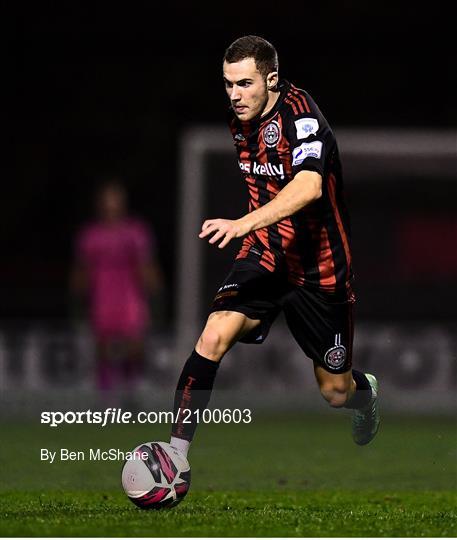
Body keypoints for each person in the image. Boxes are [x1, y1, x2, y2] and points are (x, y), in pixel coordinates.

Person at [169, 35, 380, 458]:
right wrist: (252, 232)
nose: (235, 95)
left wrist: (242, 222)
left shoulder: (302, 118)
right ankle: (174, 456)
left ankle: (366, 393)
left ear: (273, 79)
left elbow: (308, 187)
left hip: (321, 268)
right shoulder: (240, 119)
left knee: (336, 392)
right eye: (228, 84)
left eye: (245, 84)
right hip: (265, 255)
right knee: (213, 336)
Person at [71, 179, 163, 395]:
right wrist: (77, 299)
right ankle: (106, 396)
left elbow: (146, 266)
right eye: (107, 200)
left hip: (129, 295)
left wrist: (156, 293)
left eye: (115, 199)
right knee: (102, 347)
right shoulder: (91, 235)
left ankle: (132, 389)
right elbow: (81, 271)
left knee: (134, 345)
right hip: (102, 296)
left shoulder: (135, 231)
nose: (111, 204)